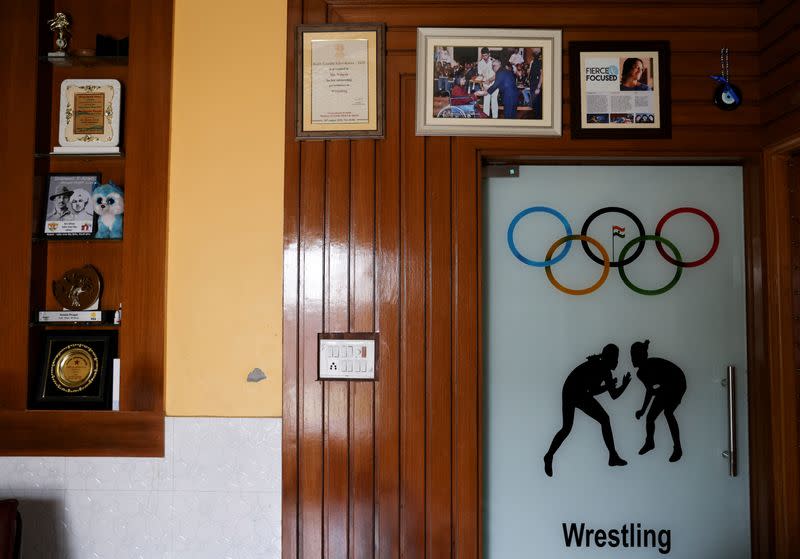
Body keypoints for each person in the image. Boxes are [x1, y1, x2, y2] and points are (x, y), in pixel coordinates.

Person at [543, 344, 631, 477]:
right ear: (609, 358)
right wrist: (616, 386)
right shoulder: (600, 367)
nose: (617, 362)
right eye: (616, 358)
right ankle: (613, 456)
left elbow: (604, 393)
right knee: (603, 419)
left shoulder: (604, 369)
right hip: (573, 391)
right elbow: (595, 392)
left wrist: (619, 386)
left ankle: (549, 455)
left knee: (567, 428)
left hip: (572, 391)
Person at [632, 340, 686, 462]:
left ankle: (677, 448)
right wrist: (643, 411)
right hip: (667, 385)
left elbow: (650, 392)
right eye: (631, 356)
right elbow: (651, 391)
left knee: (668, 412)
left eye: (634, 356)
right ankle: (650, 442)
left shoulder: (645, 369)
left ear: (642, 356)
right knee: (650, 417)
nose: (632, 359)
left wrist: (642, 410)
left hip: (677, 382)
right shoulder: (641, 372)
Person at [477, 47, 498, 118]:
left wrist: (490, 80)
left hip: (494, 83)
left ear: (489, 54)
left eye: (486, 55)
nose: (485, 57)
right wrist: (482, 86)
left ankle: (495, 118)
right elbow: (480, 75)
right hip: (485, 85)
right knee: (486, 102)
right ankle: (486, 117)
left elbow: (497, 74)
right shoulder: (480, 63)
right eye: (483, 55)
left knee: (494, 101)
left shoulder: (493, 61)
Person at [528, 48, 543, 119]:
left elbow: (542, 74)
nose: (532, 49)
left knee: (537, 107)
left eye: (533, 48)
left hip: (536, 85)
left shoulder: (540, 59)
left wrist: (538, 87)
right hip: (533, 85)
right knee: (534, 106)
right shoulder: (535, 59)